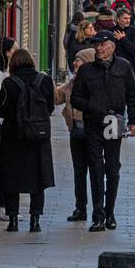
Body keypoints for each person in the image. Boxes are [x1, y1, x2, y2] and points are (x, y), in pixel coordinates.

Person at [71, 35, 135, 232]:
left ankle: (110, 213)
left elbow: (132, 96)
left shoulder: (123, 67)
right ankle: (98, 215)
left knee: (112, 170)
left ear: (112, 46)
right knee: (95, 169)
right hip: (93, 124)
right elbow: (76, 98)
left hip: (114, 123)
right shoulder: (86, 70)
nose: (99, 49)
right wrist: (92, 106)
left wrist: (134, 121)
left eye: (102, 45)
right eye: (96, 45)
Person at [0, 48, 56, 232]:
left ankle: (12, 220)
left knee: (11, 179)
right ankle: (35, 220)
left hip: (14, 138)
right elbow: (50, 106)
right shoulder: (44, 80)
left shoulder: (9, 83)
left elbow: (0, 110)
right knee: (38, 180)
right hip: (39, 137)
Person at [56, 48, 96, 222]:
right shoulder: (72, 83)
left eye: (78, 60)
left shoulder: (95, 83)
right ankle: (80, 208)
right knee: (79, 172)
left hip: (93, 133)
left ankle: (99, 210)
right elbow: (56, 97)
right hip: (76, 133)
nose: (74, 63)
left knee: (95, 172)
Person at [113, 5, 135, 76]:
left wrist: (123, 39)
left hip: (130, 66)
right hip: (115, 67)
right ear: (118, 19)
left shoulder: (133, 31)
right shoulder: (112, 31)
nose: (128, 20)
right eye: (125, 18)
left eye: (129, 18)